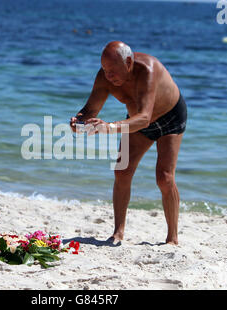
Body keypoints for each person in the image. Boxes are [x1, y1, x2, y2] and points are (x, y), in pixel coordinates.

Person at [70, 41, 187, 245]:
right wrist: (79, 121)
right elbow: (90, 110)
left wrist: (110, 127)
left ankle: (172, 238)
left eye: (113, 70)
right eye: (105, 70)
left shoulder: (148, 70)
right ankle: (118, 232)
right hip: (136, 122)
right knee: (121, 171)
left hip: (170, 118)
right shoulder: (104, 77)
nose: (109, 75)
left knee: (164, 177)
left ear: (129, 62)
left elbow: (145, 118)